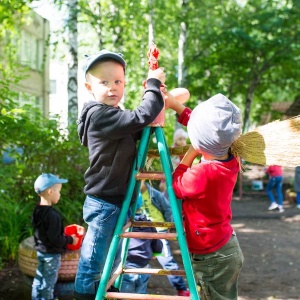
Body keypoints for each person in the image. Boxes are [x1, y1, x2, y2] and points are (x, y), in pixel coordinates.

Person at [74, 49, 167, 299]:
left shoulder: (113, 116)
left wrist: (157, 98)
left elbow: (137, 126)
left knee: (110, 262)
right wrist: (153, 85)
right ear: (89, 87)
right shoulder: (98, 114)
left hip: (117, 201)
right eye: (104, 82)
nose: (112, 87)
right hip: (104, 202)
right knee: (92, 266)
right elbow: (140, 117)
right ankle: (88, 296)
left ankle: (104, 292)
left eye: (118, 81)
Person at [167, 93, 244, 300]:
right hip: (224, 248)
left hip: (212, 256)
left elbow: (176, 185)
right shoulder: (232, 157)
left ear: (200, 143)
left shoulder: (203, 174)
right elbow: (208, 129)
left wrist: (189, 155)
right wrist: (176, 106)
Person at [31, 173, 79, 300]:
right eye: (59, 191)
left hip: (40, 252)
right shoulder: (52, 215)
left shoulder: (37, 210)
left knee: (38, 279)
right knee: (48, 283)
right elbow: (55, 239)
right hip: (51, 256)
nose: (60, 194)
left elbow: (43, 233)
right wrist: (70, 239)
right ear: (51, 192)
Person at [139, 180, 190, 296]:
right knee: (135, 260)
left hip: (158, 232)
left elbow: (167, 209)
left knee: (166, 260)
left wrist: (168, 225)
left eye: (140, 182)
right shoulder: (133, 194)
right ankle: (138, 289)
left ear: (144, 180)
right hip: (140, 233)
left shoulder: (154, 193)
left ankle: (181, 288)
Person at [120, 196, 163, 294]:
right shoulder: (148, 223)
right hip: (144, 266)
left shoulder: (124, 224)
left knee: (125, 294)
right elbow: (157, 241)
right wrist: (156, 252)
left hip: (127, 265)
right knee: (141, 292)